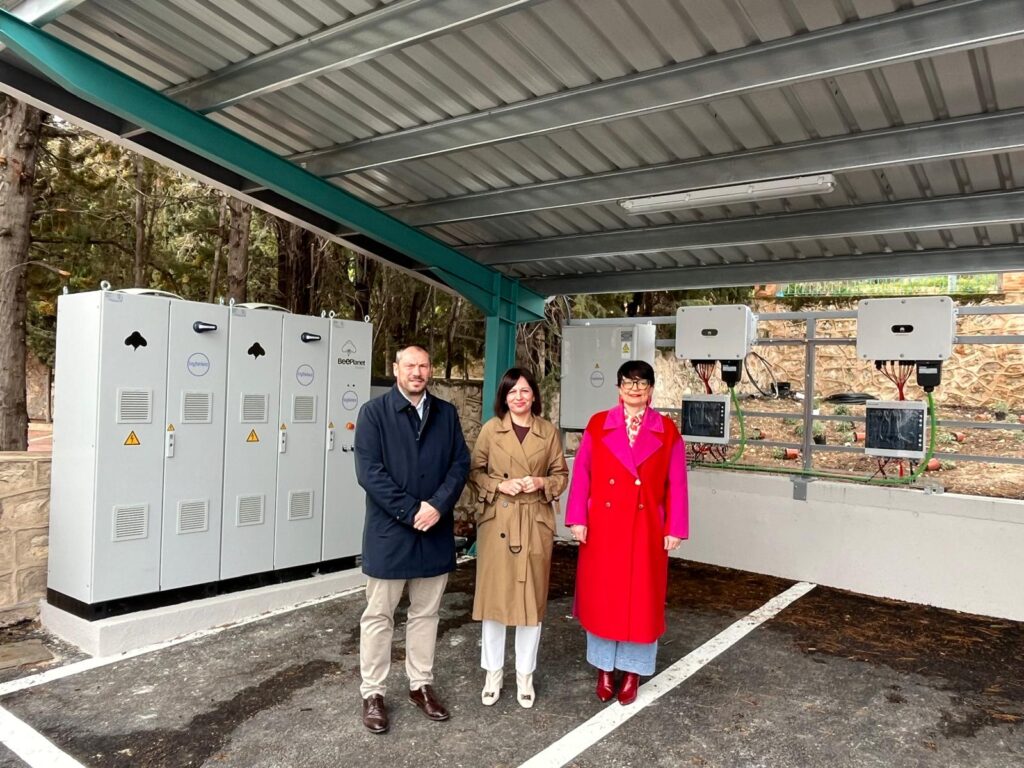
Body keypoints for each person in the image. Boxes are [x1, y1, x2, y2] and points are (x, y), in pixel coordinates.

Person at [353, 344, 470, 734]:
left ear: (430, 370)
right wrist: (410, 510)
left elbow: (459, 464)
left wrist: (436, 506)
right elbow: (370, 472)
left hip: (434, 532)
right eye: (410, 365)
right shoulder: (374, 414)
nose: (417, 372)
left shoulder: (446, 413)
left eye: (423, 366)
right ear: (396, 368)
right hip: (390, 533)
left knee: (425, 615)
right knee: (379, 616)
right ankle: (373, 693)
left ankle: (420, 685)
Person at [565, 359, 689, 706]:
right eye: (628, 382)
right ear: (618, 387)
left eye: (642, 383)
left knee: (642, 602)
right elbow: (583, 474)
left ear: (651, 390)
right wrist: (578, 518)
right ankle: (605, 669)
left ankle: (632, 671)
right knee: (602, 599)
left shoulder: (666, 430)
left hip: (647, 527)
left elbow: (676, 483)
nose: (635, 388)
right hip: (604, 528)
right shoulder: (597, 424)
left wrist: (675, 527)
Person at [470, 368, 568, 709]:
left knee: (530, 604)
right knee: (495, 605)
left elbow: (561, 474)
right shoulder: (490, 430)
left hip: (534, 522)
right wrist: (499, 485)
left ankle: (525, 675)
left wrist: (540, 483)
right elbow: (474, 472)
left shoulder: (548, 432)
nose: (519, 397)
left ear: (534, 396)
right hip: (499, 520)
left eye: (525, 391)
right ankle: (493, 674)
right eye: (513, 392)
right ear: (505, 397)